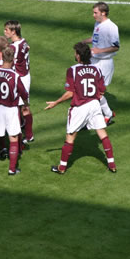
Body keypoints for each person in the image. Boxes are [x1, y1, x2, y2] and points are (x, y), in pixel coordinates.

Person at [44, 42, 117, 174]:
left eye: (75, 53)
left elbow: (70, 93)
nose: (74, 55)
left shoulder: (72, 70)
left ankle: (61, 168)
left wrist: (56, 102)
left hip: (80, 107)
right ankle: (112, 164)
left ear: (78, 56)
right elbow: (101, 91)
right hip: (94, 105)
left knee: (70, 137)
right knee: (102, 135)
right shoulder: (97, 70)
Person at [0, 47, 28, 175]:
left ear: (2, 58)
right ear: (13, 60)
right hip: (11, 109)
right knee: (13, 138)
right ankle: (12, 169)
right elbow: (24, 94)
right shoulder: (15, 76)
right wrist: (25, 105)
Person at [86, 2, 119, 125]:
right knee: (90, 90)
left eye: (95, 13)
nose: (93, 15)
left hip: (104, 63)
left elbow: (116, 47)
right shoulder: (98, 24)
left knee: (97, 93)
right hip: (94, 61)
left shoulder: (111, 27)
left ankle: (108, 114)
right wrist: (83, 42)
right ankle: (105, 114)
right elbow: (95, 38)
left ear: (103, 13)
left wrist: (100, 50)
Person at [4, 20, 34, 145]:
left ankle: (27, 135)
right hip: (25, 75)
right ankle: (23, 128)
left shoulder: (13, 47)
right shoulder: (23, 41)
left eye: (6, 30)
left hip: (20, 78)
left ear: (13, 31)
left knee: (23, 108)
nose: (4, 31)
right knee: (19, 106)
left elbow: (8, 63)